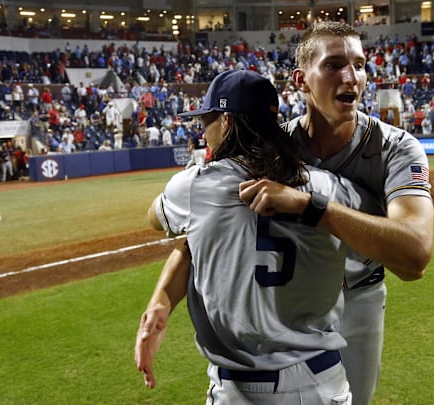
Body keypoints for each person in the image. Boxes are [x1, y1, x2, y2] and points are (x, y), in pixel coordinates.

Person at [135, 22, 434, 405]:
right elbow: (203, 235)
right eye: (334, 65)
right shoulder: (275, 145)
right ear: (301, 80)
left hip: (359, 294)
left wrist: (312, 209)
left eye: (359, 65)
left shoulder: (395, 147)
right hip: (290, 305)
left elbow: (415, 258)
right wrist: (162, 298)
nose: (352, 77)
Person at [139, 70, 366, 403]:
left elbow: (155, 219)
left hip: (241, 389)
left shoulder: (195, 186)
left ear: (227, 122)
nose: (204, 133)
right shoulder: (327, 185)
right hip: (323, 382)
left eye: (208, 121)